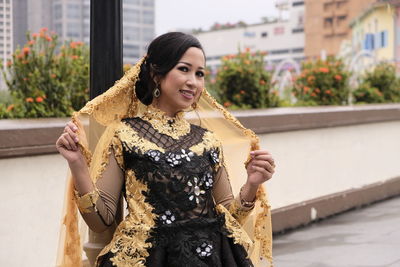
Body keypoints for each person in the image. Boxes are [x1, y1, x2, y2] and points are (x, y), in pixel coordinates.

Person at [56, 32, 275, 267]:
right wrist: (77, 163)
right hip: (146, 258)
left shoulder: (208, 141)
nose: (193, 81)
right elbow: (101, 221)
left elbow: (230, 219)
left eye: (199, 73)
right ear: (156, 74)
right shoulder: (125, 134)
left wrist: (252, 184)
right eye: (184, 69)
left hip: (209, 258)